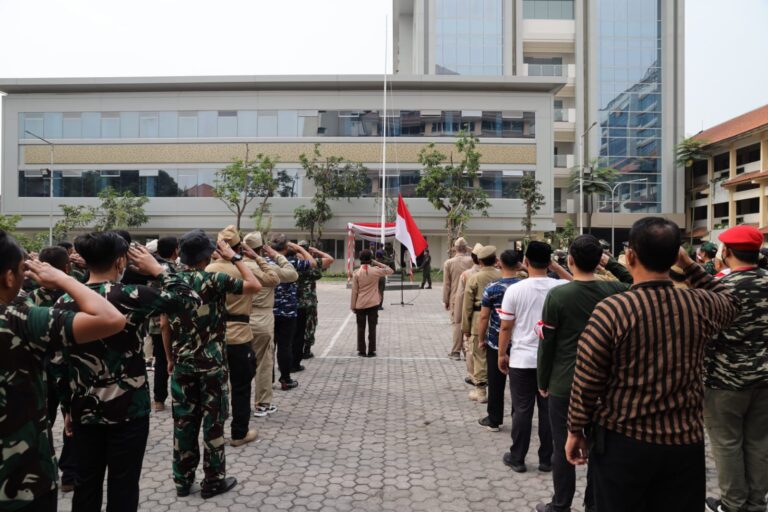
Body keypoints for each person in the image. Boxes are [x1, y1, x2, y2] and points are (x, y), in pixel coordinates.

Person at [565, 217, 740, 511]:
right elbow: (732, 301)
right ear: (675, 256)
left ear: (630, 256)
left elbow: (587, 380)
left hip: (623, 442)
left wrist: (575, 430)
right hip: (684, 444)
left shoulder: (612, 311)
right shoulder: (699, 304)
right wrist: (688, 264)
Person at [53, 231, 201, 512]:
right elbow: (190, 299)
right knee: (124, 485)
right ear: (121, 261)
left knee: (86, 485)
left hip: (84, 408)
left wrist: (66, 408)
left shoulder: (65, 301)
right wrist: (158, 270)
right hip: (129, 411)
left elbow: (59, 362)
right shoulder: (134, 295)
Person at [0, 231, 126, 512]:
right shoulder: (18, 320)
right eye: (21, 269)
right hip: (21, 483)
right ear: (9, 277)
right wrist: (63, 278)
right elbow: (111, 318)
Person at [535, 235, 630, 512]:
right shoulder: (614, 290)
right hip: (605, 385)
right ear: (598, 260)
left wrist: (543, 380)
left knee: (562, 445)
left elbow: (547, 344)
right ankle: (593, 504)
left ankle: (561, 504)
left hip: (564, 383)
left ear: (570, 260)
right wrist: (610, 263)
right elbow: (634, 281)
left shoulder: (559, 295)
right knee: (599, 448)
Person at [165, 230, 262, 499]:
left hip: (182, 364)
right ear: (207, 255)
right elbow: (254, 285)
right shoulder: (214, 279)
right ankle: (213, 481)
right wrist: (235, 257)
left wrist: (170, 358)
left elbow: (163, 324)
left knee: (183, 423)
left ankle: (183, 481)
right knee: (213, 423)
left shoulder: (171, 281)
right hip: (212, 366)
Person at [703, 225, 768, 512]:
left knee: (727, 443)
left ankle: (733, 504)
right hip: (765, 379)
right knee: (759, 442)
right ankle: (756, 503)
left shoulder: (721, 287)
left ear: (726, 251)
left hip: (724, 381)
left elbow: (706, 334)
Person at [498, 241, 569, 473]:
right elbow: (578, 283)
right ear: (549, 262)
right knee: (548, 412)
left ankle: (517, 457)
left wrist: (501, 353)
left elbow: (506, 327)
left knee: (522, 410)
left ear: (525, 261)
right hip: (551, 361)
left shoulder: (515, 290)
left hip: (521, 360)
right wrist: (557, 268)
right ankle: (546, 459)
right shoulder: (561, 288)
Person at [205, 226, 277, 447]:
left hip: (214, 336)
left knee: (216, 388)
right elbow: (273, 278)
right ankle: (239, 433)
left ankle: (214, 433)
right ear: (239, 248)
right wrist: (254, 257)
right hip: (239, 335)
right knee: (241, 387)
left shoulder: (209, 269)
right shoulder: (243, 270)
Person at [26, 246, 80, 493]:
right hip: (68, 368)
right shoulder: (74, 296)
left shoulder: (29, 299)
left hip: (40, 369)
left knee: (42, 420)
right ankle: (70, 474)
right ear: (67, 268)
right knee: (72, 420)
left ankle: (41, 469)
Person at [242, 232, 298, 417]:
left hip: (238, 319)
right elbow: (292, 274)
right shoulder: (268, 268)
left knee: (237, 364)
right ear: (261, 249)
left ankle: (237, 404)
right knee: (263, 363)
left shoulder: (235, 266)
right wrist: (275, 255)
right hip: (262, 319)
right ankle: (262, 404)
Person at [476, 249, 523, 431]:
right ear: (518, 264)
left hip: (496, 341)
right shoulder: (524, 285)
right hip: (520, 342)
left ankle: (494, 419)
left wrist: (481, 339)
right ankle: (519, 417)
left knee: (495, 382)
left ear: (500, 263)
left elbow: (484, 317)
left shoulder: (492, 288)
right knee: (518, 384)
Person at [270, 234, 317, 390]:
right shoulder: (292, 262)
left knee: (269, 348)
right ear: (286, 247)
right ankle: (285, 379)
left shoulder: (265, 261)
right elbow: (312, 263)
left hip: (269, 310)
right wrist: (298, 248)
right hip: (288, 312)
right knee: (285, 346)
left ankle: (268, 379)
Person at [461, 245, 501, 403]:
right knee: (498, 354)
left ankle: (481, 391)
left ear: (480, 261)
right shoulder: (502, 275)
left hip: (478, 319)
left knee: (479, 356)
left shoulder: (474, 278)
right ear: (495, 259)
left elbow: (467, 306)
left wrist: (465, 328)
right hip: (500, 318)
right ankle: (497, 389)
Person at [149, 236, 181, 412]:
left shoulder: (152, 268)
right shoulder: (176, 270)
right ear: (176, 250)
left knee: (160, 361)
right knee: (178, 360)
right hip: (174, 322)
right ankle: (180, 397)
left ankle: (159, 400)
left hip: (155, 322)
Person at [293, 240, 334, 366]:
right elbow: (329, 260)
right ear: (308, 250)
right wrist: (316, 251)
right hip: (309, 301)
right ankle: (307, 349)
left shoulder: (291, 262)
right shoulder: (312, 263)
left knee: (296, 327)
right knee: (310, 324)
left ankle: (296, 351)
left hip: (295, 302)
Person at [350, 249, 394, 357]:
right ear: (371, 259)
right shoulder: (375, 271)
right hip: (373, 303)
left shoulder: (356, 273)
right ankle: (371, 351)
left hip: (360, 304)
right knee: (372, 328)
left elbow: (354, 291)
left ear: (360, 259)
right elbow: (390, 270)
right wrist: (376, 262)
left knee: (361, 328)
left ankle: (361, 350)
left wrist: (353, 306)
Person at [456, 244, 483, 383]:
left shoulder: (466, 275)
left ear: (473, 258)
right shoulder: (497, 274)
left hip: (473, 316)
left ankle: (473, 376)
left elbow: (461, 298)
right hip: (493, 317)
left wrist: (458, 318)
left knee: (470, 347)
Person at [443, 238, 473, 360]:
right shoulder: (472, 261)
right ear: (466, 248)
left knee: (457, 324)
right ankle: (467, 351)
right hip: (471, 295)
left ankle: (456, 352)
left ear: (455, 248)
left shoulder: (449, 262)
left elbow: (447, 284)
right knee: (469, 323)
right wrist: (469, 249)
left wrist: (446, 300)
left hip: (455, 297)